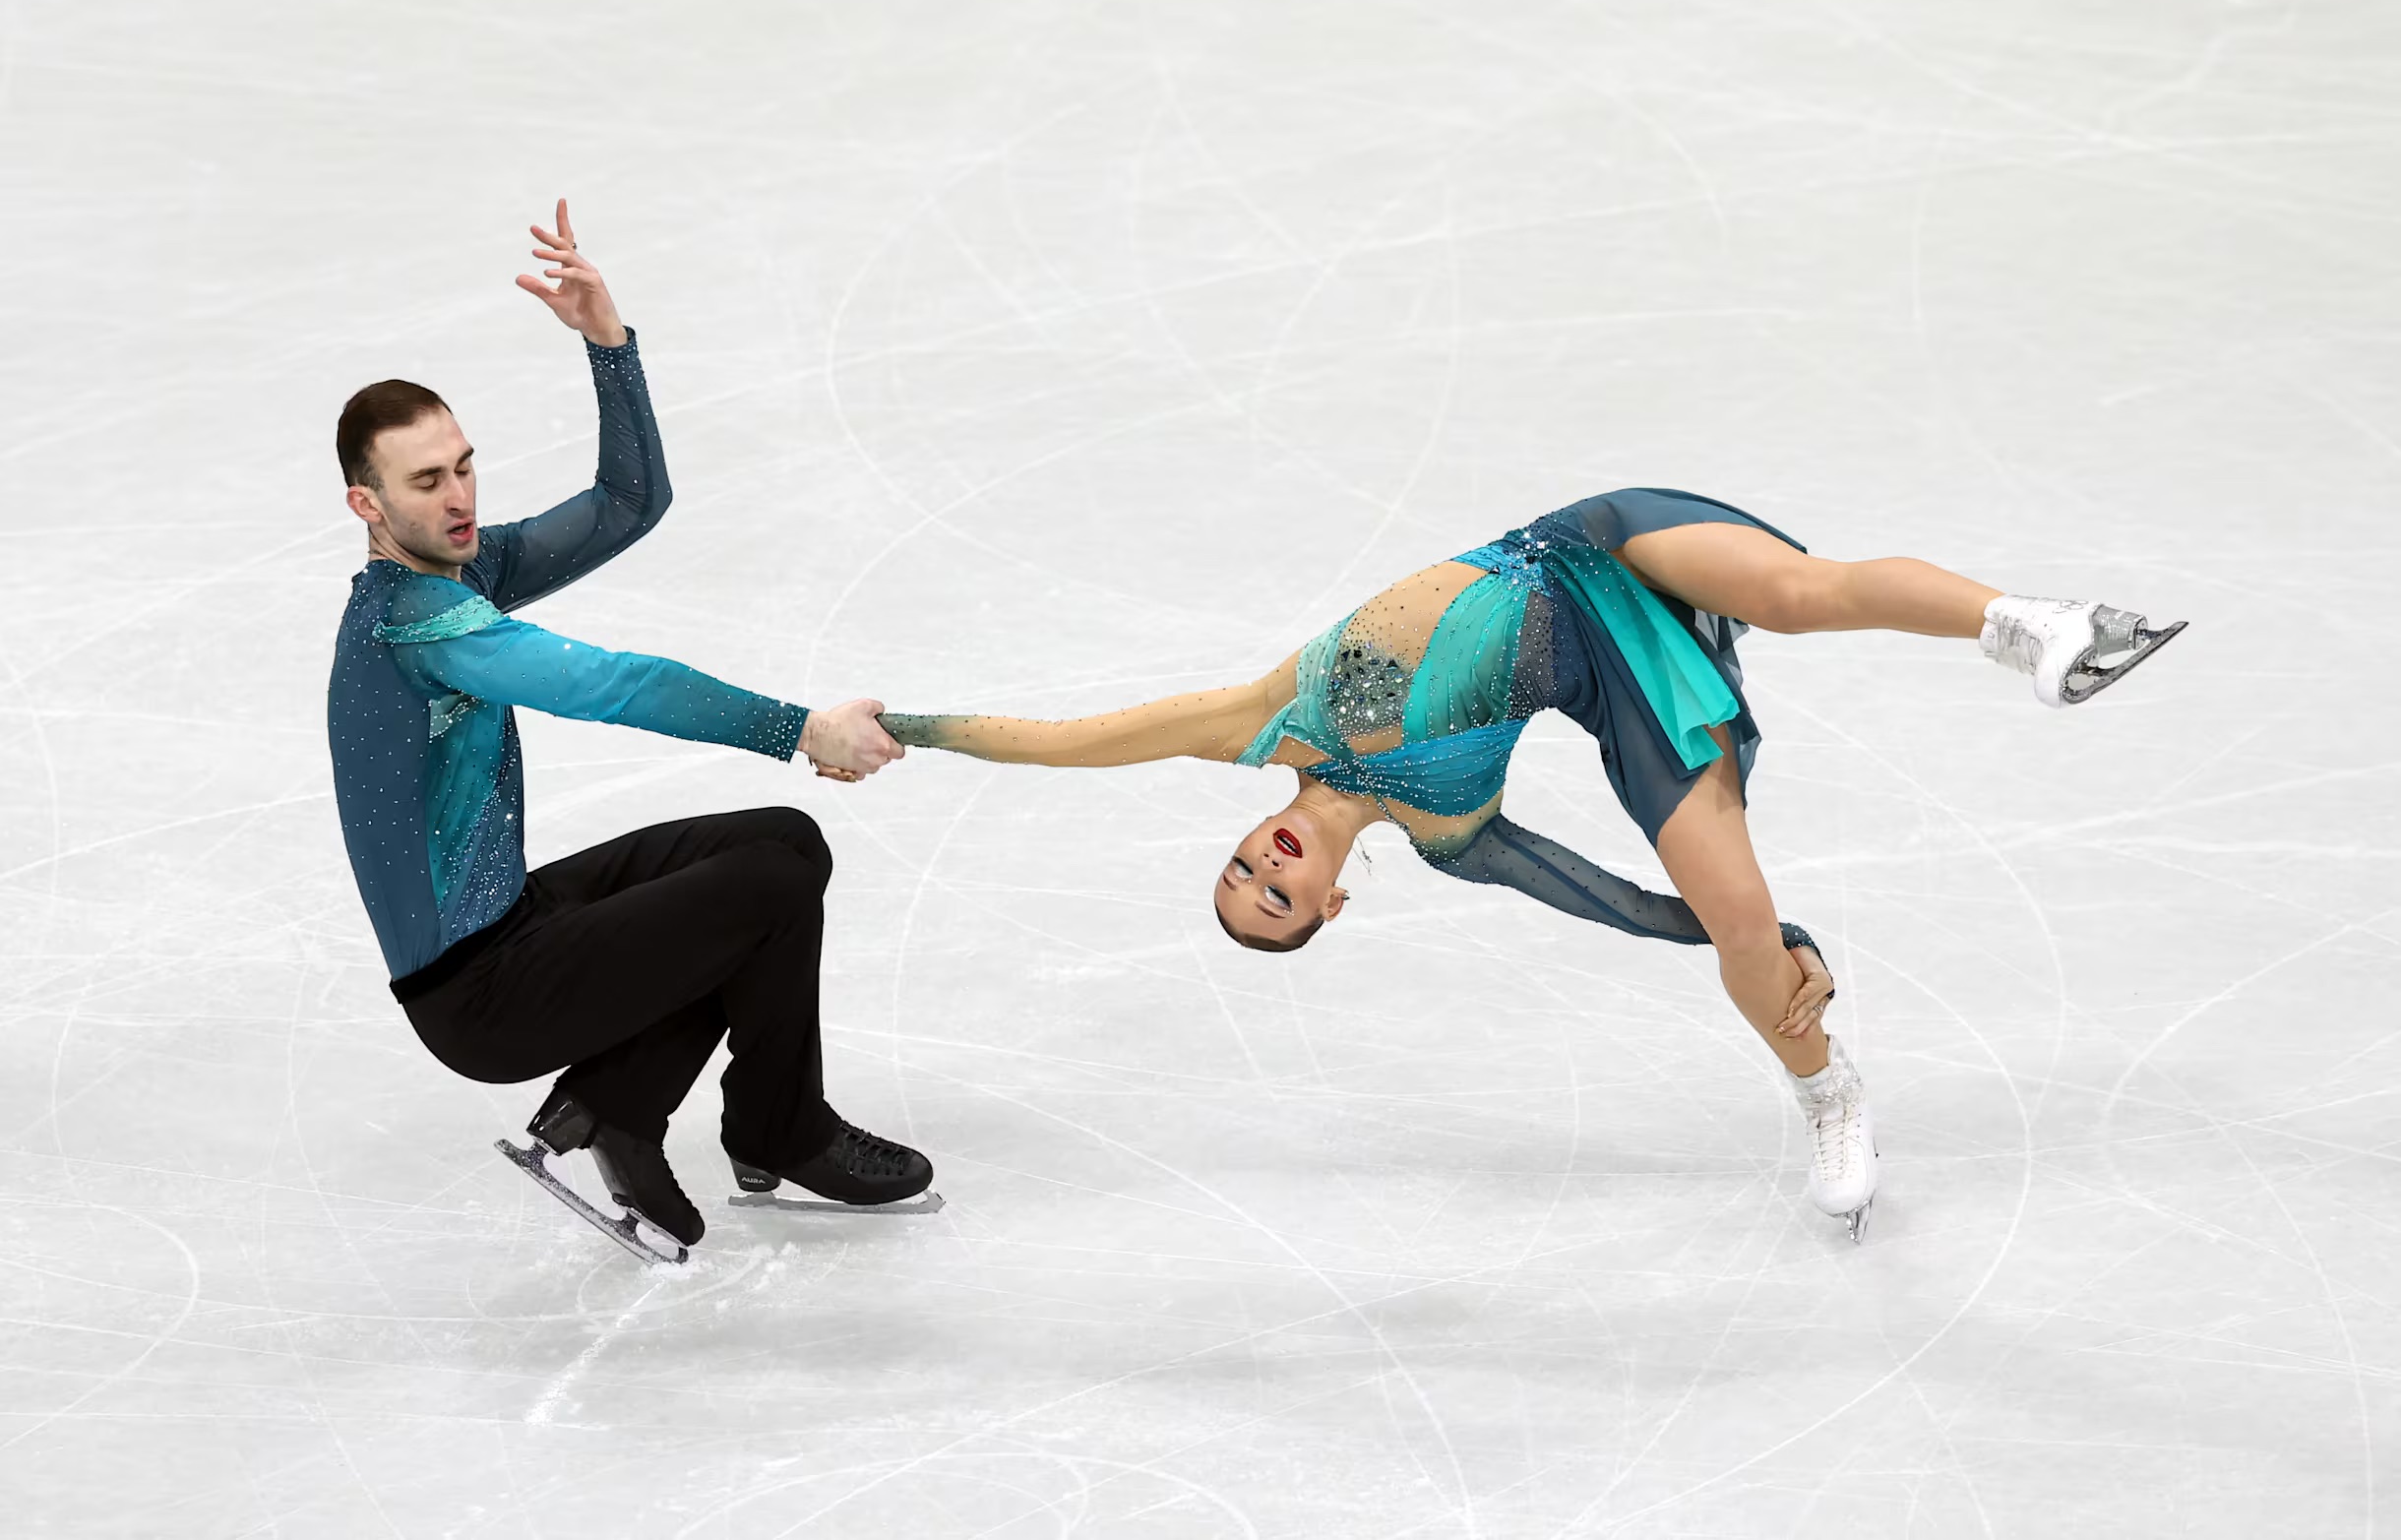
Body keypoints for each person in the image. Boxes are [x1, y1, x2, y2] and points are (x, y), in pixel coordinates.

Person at [879, 491, 2183, 1241]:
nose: (1264, 865)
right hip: (1618, 688)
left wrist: (906, 727)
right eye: (1278, 900)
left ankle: (2035, 626)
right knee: (1738, 921)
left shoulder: (1266, 722)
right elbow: (1592, 891)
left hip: (1591, 545)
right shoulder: (1450, 839)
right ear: (1330, 903)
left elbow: (1068, 743)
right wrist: (1735, 937)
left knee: (1796, 587)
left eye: (1240, 869)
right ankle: (1824, 1085)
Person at [326, 202, 923, 1263]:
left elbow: (628, 499)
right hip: (477, 997)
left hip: (513, 924)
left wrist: (608, 345)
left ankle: (655, 1112)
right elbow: (613, 685)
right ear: (367, 507)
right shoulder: (414, 625)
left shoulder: (463, 568)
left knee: (784, 844)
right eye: (428, 482)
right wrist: (799, 727)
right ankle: (734, 1121)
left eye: (464, 464)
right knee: (766, 893)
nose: (461, 495)